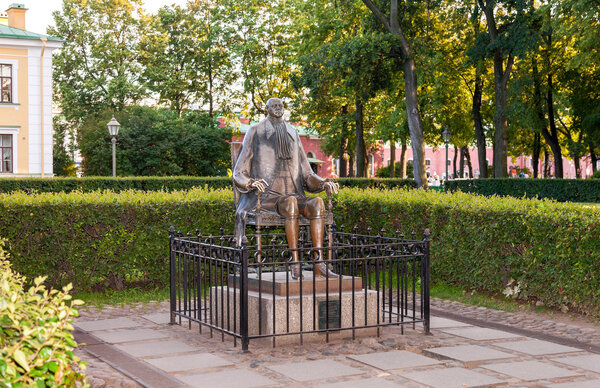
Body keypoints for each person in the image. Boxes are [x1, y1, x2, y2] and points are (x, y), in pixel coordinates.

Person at [233, 98, 339, 279]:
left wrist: (323, 183)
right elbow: (239, 172)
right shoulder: (255, 131)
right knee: (290, 204)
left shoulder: (293, 132)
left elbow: (307, 174)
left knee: (318, 203)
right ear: (267, 109)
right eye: (274, 105)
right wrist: (251, 183)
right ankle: (295, 261)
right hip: (268, 198)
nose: (278, 108)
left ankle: (318, 263)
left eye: (281, 105)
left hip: (295, 193)